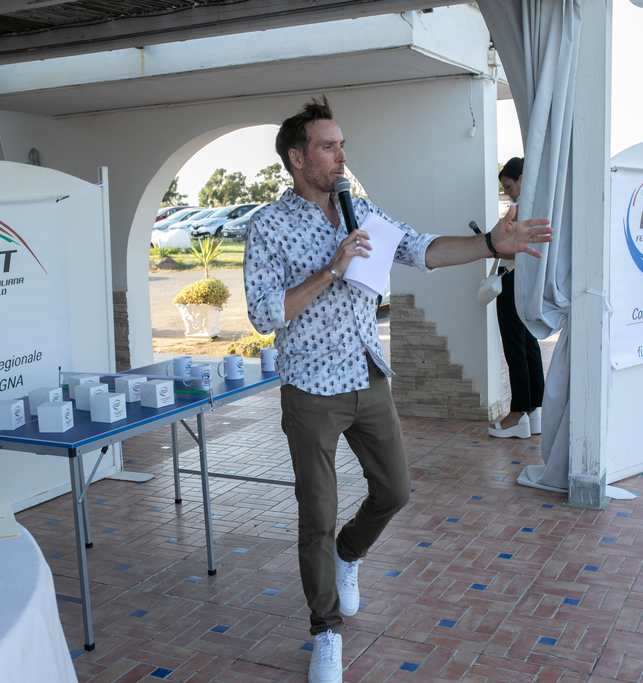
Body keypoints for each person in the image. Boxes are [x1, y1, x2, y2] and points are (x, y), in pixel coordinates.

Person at [243, 97, 552, 683]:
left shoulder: (359, 210)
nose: (340, 156)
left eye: (342, 145)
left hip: (368, 375)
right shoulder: (268, 226)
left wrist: (491, 244)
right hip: (310, 388)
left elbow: (421, 247)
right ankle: (326, 630)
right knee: (317, 514)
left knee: (396, 491)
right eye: (328, 147)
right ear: (297, 158)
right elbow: (264, 314)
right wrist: (332, 268)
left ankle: (349, 554)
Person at [488, 157, 545, 439]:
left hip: (512, 281)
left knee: (515, 347)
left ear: (521, 178)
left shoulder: (522, 209)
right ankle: (533, 411)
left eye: (509, 186)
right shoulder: (542, 204)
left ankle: (518, 413)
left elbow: (510, 249)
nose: (508, 193)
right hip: (529, 283)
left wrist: (491, 246)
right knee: (529, 343)